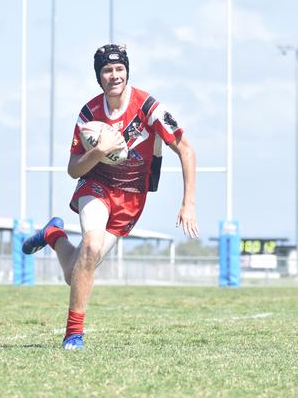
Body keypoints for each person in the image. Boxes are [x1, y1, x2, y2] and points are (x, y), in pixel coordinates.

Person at [22, 44, 199, 350]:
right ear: (98, 77)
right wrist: (99, 151)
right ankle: (73, 334)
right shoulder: (88, 114)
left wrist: (188, 203)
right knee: (90, 245)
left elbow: (186, 149)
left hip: (130, 200)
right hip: (96, 187)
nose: (114, 75)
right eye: (107, 70)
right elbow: (74, 169)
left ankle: (54, 235)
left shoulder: (149, 108)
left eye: (119, 69)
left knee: (75, 271)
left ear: (127, 71)